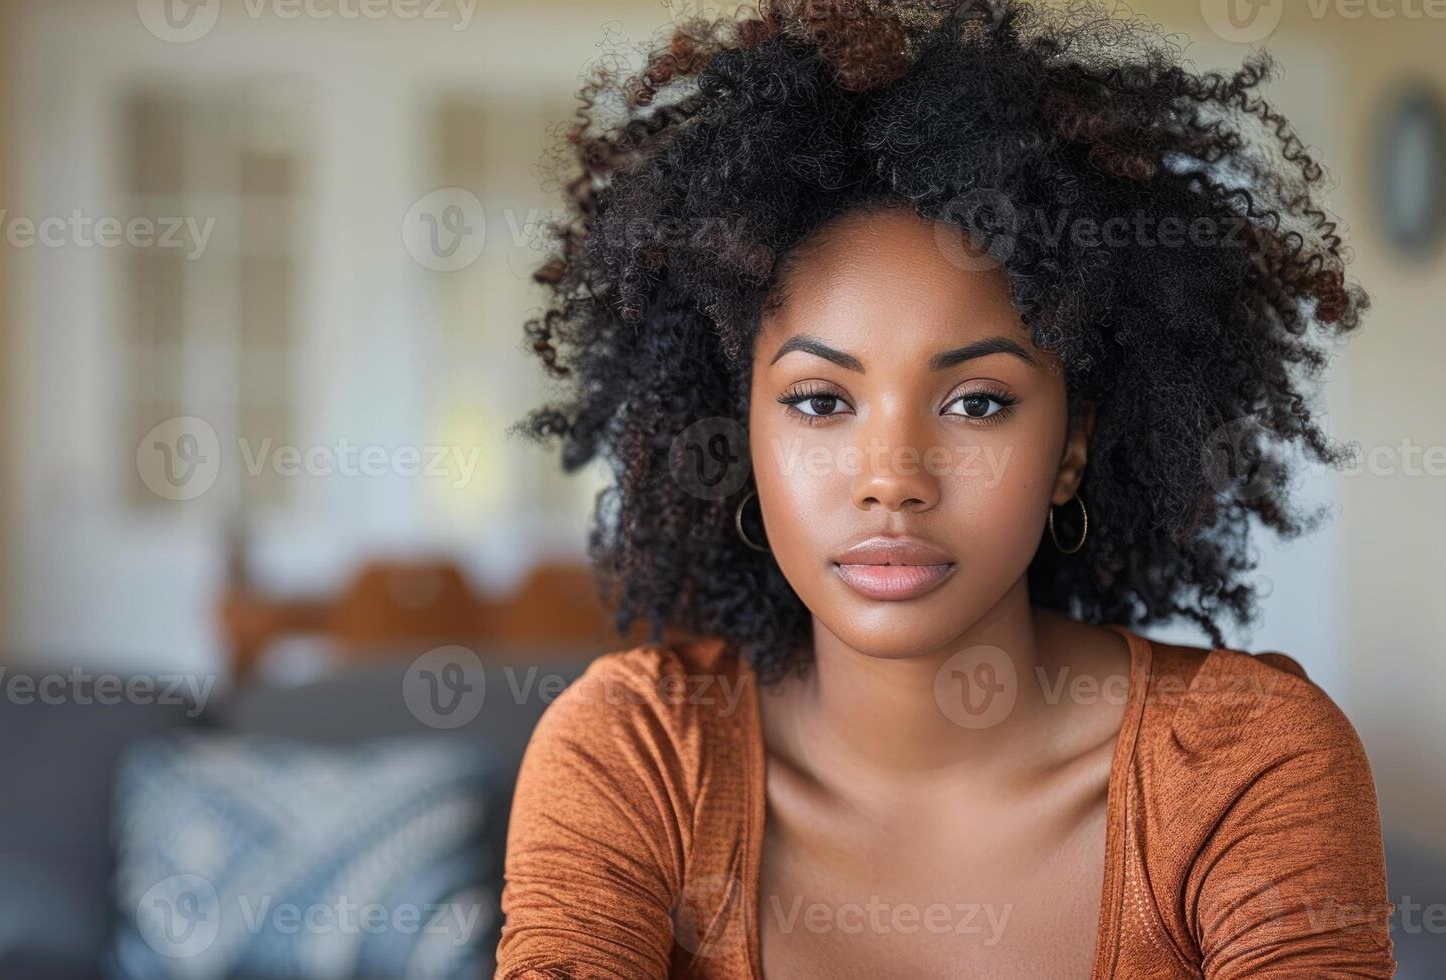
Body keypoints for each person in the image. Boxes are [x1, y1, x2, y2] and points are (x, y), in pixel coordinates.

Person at [496, 1, 1395, 976]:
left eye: (976, 402)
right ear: (741, 433)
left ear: (1072, 448)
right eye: (817, 400)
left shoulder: (1248, 762)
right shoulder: (637, 752)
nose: (892, 479)